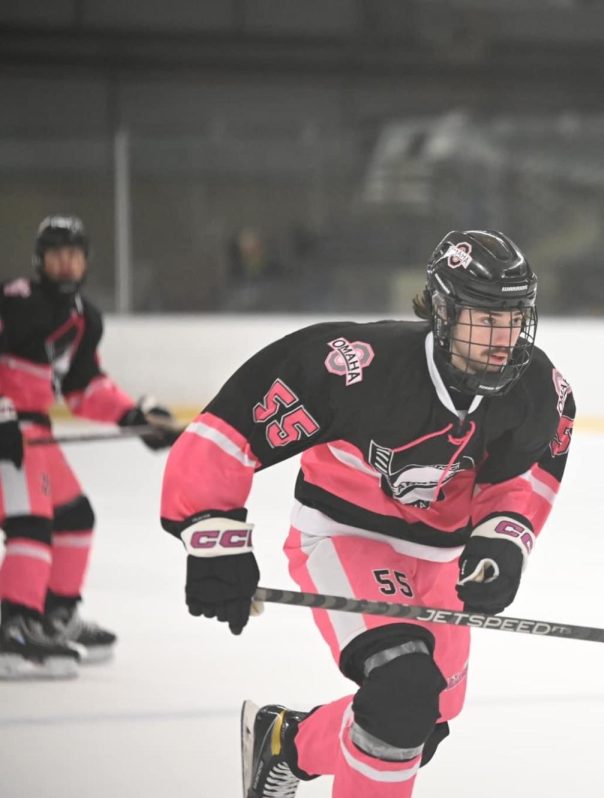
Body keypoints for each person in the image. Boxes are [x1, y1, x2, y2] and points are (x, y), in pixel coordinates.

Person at [158, 230, 574, 797]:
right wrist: (212, 533)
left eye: (514, 319)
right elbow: (230, 432)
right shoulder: (359, 367)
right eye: (486, 318)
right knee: (402, 693)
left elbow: (524, 475)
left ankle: (285, 741)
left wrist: (504, 539)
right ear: (445, 311)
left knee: (420, 725)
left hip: (441, 559)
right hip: (345, 534)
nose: (504, 338)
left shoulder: (536, 390)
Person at [0, 215, 179, 679]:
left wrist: (135, 417)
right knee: (31, 523)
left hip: (32, 432)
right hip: (8, 429)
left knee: (74, 516)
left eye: (74, 254)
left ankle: (55, 616)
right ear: (41, 261)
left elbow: (84, 389)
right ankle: (15, 625)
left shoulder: (82, 319)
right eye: (57, 253)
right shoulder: (14, 301)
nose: (66, 263)